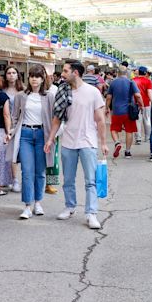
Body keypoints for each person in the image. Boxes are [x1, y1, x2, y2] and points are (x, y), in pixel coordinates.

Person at [45, 60, 109, 230]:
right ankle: (70, 206)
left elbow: (100, 120)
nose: (63, 74)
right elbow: (57, 118)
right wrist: (51, 139)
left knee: (91, 180)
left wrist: (103, 142)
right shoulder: (62, 92)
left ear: (76, 73)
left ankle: (91, 213)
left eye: (66, 71)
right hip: (68, 141)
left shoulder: (93, 92)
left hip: (88, 141)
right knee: (68, 180)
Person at [8, 64, 55, 219]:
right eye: (32, 76)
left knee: (40, 171)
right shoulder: (21, 96)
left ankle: (38, 203)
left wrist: (52, 136)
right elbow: (14, 116)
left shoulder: (49, 96)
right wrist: (11, 131)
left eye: (38, 76)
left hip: (42, 134)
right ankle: (27, 206)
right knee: (27, 171)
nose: (34, 79)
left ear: (43, 79)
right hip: (25, 134)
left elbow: (55, 118)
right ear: (28, 78)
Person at [106, 66, 144, 159]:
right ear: (126, 73)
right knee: (129, 131)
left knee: (114, 129)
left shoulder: (113, 82)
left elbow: (108, 97)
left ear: (117, 73)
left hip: (116, 111)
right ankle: (127, 152)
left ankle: (117, 142)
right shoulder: (131, 82)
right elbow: (138, 96)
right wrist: (141, 106)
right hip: (129, 111)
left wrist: (106, 107)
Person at [2, 66, 25, 192]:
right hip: (6, 124)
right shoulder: (2, 90)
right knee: (9, 153)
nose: (11, 75)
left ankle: (17, 179)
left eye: (14, 72)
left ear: (18, 75)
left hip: (21, 124)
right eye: (9, 73)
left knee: (19, 152)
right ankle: (13, 179)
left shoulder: (24, 90)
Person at [133, 66, 152, 145]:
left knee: (137, 121)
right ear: (145, 73)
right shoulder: (148, 81)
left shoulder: (133, 81)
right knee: (147, 120)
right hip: (146, 103)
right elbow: (149, 92)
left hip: (136, 103)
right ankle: (147, 137)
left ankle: (138, 138)